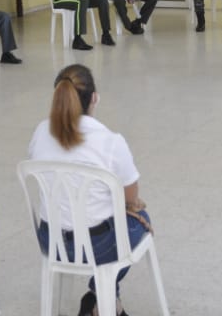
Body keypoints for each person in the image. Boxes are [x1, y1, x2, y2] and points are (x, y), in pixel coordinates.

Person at [27, 64, 152, 316]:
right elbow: (131, 197)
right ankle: (101, 297)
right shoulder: (110, 142)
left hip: (50, 240)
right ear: (94, 98)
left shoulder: (41, 131)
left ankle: (103, 300)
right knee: (141, 220)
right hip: (97, 245)